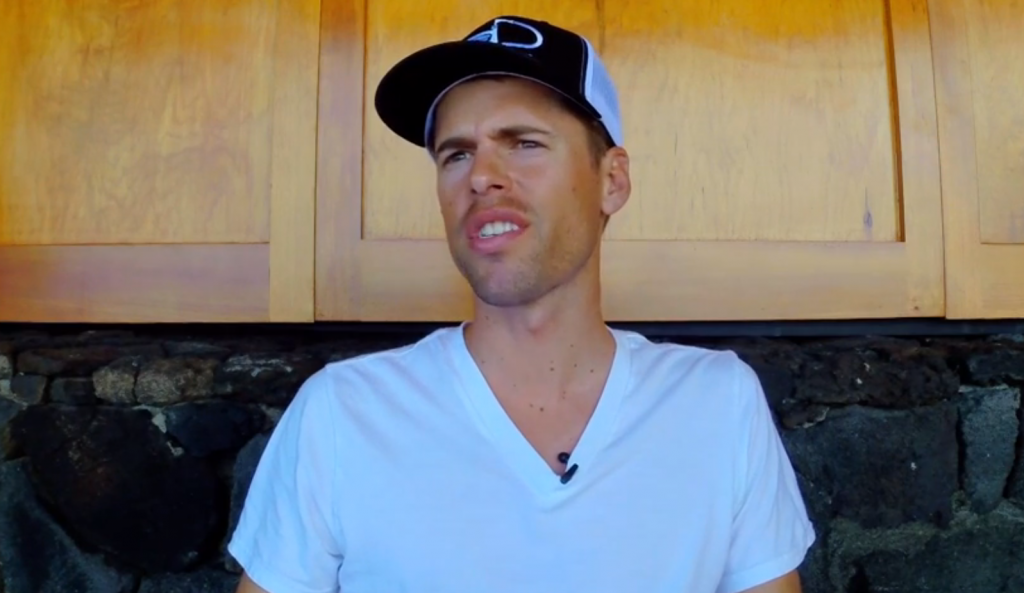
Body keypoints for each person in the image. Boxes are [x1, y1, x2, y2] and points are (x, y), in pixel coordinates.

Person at [229, 14, 816, 593]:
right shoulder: (342, 415)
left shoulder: (716, 404)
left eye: (525, 143)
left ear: (612, 181)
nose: (481, 176)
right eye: (456, 155)